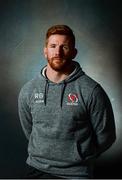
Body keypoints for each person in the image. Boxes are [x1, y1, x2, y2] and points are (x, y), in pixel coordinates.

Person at [18, 24, 116, 179]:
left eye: (64, 46)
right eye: (53, 46)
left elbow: (106, 136)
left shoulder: (91, 90)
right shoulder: (28, 90)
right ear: (45, 51)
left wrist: (80, 155)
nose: (57, 52)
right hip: (36, 170)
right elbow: (29, 130)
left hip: (76, 174)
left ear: (74, 52)